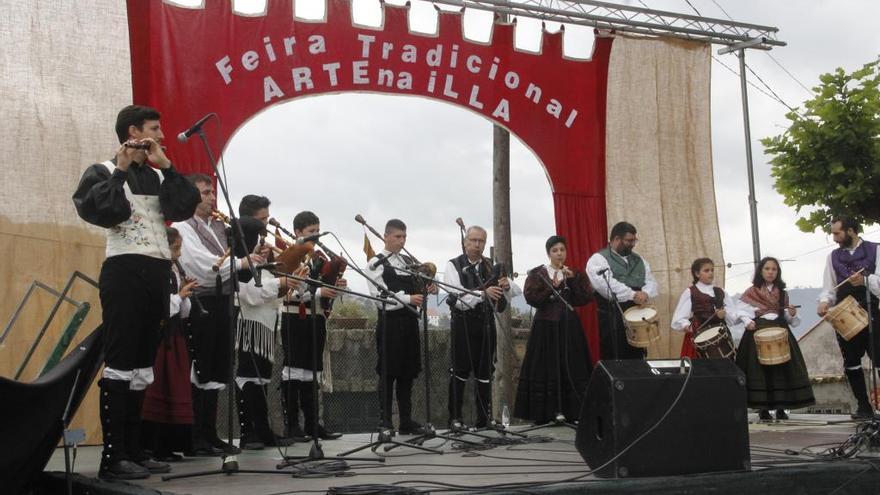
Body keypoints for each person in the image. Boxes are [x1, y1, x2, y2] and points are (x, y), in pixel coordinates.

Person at [72, 105, 199, 479]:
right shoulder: (104, 171)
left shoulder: (159, 178)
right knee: (121, 362)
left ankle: (136, 449)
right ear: (133, 131)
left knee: (144, 363)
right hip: (125, 270)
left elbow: (184, 206)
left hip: (157, 271)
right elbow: (102, 211)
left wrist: (169, 167)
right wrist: (124, 168)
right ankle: (114, 458)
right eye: (154, 129)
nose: (161, 135)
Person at [172, 174, 264, 455]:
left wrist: (254, 255)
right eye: (204, 192)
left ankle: (209, 434)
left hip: (223, 302)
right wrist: (239, 262)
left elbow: (228, 263)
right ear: (190, 197)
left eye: (212, 192)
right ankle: (195, 437)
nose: (211, 197)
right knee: (200, 368)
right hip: (201, 305)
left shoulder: (220, 228)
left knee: (216, 369)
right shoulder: (181, 227)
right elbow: (200, 266)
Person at [366, 219, 435, 434]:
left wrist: (426, 288)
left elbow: (418, 288)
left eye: (404, 237)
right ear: (386, 236)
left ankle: (406, 420)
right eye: (397, 237)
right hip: (390, 323)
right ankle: (385, 421)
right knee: (388, 374)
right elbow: (379, 297)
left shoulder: (407, 261)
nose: (402, 241)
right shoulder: (375, 263)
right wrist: (408, 298)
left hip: (410, 322)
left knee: (407, 373)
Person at [279, 211, 344, 441]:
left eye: (317, 231)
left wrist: (334, 286)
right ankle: (292, 425)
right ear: (298, 233)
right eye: (311, 232)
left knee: (312, 373)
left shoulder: (318, 257)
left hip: (314, 319)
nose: (316, 235)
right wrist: (318, 293)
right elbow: (290, 289)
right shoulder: (290, 255)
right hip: (295, 317)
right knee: (294, 370)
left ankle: (312, 424)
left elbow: (317, 285)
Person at [515, 235, 593, 424]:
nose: (559, 254)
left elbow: (584, 298)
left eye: (562, 250)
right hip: (546, 328)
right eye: (555, 250)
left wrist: (572, 280)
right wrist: (552, 288)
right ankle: (546, 413)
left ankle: (572, 411)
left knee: (571, 366)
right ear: (548, 253)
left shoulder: (572, 273)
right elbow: (532, 298)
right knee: (546, 368)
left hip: (569, 328)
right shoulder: (539, 274)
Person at [443, 226, 510, 428]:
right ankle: (455, 418)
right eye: (473, 240)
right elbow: (456, 296)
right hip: (463, 324)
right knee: (459, 371)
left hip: (486, 325)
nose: (477, 245)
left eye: (481, 241)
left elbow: (508, 294)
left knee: (484, 373)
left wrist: (505, 287)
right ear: (465, 242)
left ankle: (484, 419)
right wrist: (483, 294)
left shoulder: (491, 266)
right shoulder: (453, 265)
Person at [235, 216, 293, 449]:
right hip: (250, 325)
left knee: (262, 378)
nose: (263, 241)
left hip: (265, 324)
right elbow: (252, 293)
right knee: (249, 376)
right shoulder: (240, 265)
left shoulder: (259, 261)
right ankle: (249, 432)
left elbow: (266, 286)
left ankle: (262, 428)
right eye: (259, 237)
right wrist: (280, 283)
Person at [141, 228, 198, 461]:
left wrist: (186, 296)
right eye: (175, 248)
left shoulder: (172, 271)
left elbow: (182, 314)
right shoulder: (156, 271)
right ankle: (152, 447)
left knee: (175, 389)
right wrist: (180, 296)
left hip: (175, 338)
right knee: (159, 389)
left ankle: (167, 446)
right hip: (160, 339)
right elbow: (159, 307)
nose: (179, 253)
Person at [817, 217, 880, 419]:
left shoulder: (875, 250)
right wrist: (824, 301)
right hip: (845, 312)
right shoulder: (832, 257)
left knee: (879, 358)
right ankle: (863, 406)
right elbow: (829, 286)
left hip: (872, 310)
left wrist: (865, 280)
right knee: (851, 361)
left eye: (837, 233)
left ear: (851, 231)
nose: (834, 238)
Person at [737, 257, 815, 421]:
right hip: (758, 333)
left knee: (782, 369)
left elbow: (787, 317)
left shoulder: (782, 293)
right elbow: (742, 311)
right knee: (760, 371)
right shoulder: (751, 292)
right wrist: (747, 322)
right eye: (767, 269)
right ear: (761, 271)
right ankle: (763, 409)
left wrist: (792, 314)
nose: (770, 272)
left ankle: (781, 407)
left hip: (780, 331)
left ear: (777, 272)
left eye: (774, 269)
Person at [586, 222, 658, 360]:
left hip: (636, 315)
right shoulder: (598, 259)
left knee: (636, 354)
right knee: (614, 353)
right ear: (617, 239)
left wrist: (646, 293)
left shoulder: (640, 260)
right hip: (612, 316)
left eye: (634, 240)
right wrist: (632, 294)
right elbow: (604, 285)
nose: (633, 244)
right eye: (629, 240)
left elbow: (651, 281)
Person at [671, 258, 741, 358]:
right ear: (697, 274)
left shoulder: (721, 292)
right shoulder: (690, 292)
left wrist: (725, 314)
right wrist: (687, 325)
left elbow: (732, 317)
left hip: (721, 336)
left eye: (712, 270)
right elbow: (678, 318)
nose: (711, 273)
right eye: (706, 270)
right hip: (699, 336)